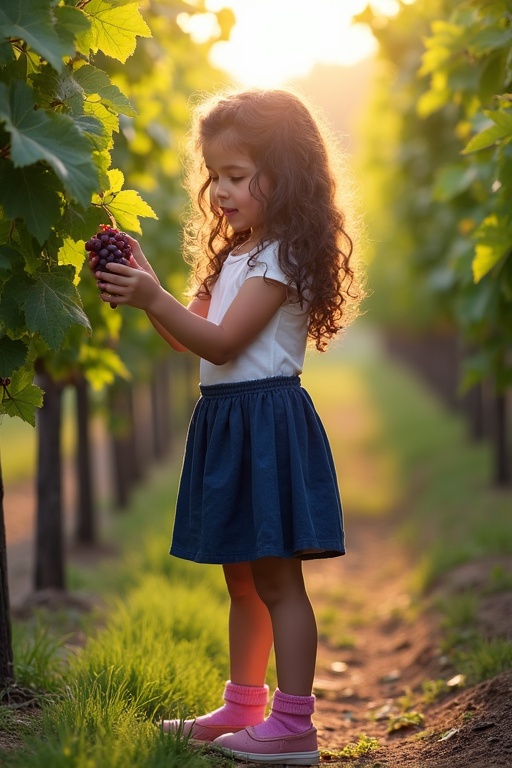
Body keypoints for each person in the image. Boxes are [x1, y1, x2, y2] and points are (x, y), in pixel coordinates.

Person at [91, 87, 363, 766]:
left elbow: (223, 344)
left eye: (238, 176)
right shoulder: (237, 253)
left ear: (285, 174)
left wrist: (154, 296)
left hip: (266, 421)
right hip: (229, 422)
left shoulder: (280, 261)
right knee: (241, 579)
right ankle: (244, 706)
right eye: (213, 175)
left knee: (278, 581)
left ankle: (294, 725)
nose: (221, 190)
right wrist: (146, 279)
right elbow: (189, 337)